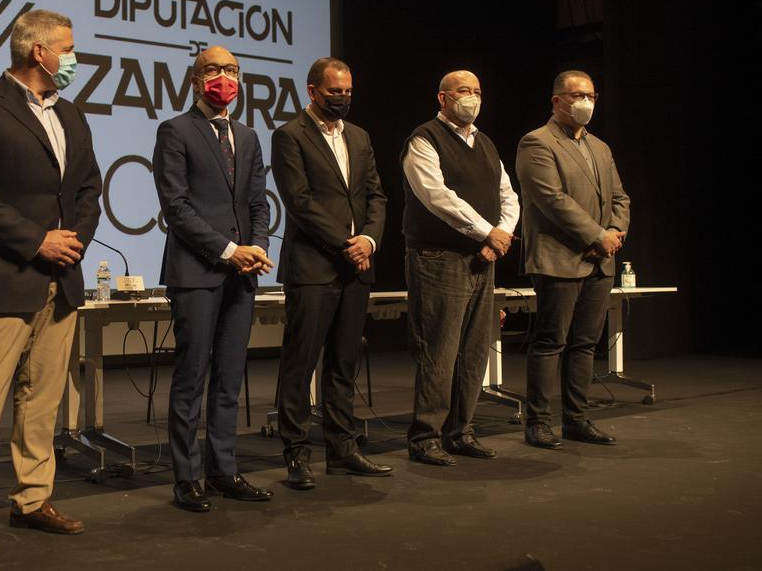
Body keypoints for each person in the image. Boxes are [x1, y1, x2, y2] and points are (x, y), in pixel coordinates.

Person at [0, 9, 102, 551]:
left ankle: (32, 499)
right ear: (39, 52)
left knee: (43, 396)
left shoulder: (72, 115)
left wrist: (72, 239)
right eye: (69, 48)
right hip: (2, 275)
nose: (75, 58)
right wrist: (38, 240)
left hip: (62, 277)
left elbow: (87, 190)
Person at [153, 46, 274, 512]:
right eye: (213, 70)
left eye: (231, 71)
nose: (223, 78)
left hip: (241, 276)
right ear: (195, 79)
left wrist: (257, 248)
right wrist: (229, 250)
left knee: (229, 377)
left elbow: (259, 202)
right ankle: (187, 478)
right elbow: (176, 207)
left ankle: (223, 469)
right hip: (197, 273)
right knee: (191, 376)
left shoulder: (247, 135)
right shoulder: (175, 130)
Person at [270, 57, 391, 490]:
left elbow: (376, 195)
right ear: (312, 90)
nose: (342, 98)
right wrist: (346, 244)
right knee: (300, 365)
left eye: (348, 92)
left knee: (344, 363)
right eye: (334, 91)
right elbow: (299, 202)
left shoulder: (359, 137)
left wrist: (370, 241)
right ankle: (296, 454)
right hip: (314, 267)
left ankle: (342, 449)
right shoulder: (289, 136)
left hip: (357, 267)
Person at [402, 70, 520, 467]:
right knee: (440, 350)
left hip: (482, 259)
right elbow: (437, 197)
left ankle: (460, 431)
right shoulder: (424, 139)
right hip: (438, 259)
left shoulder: (485, 142)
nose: (471, 97)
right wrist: (488, 232)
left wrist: (500, 234)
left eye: (477, 91)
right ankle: (425, 437)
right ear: (442, 98)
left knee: (473, 351)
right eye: (463, 91)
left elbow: (509, 195)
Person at [516, 70, 630, 449]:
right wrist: (597, 235)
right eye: (577, 95)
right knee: (551, 341)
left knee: (585, 343)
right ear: (557, 101)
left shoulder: (600, 146)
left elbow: (619, 197)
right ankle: (538, 422)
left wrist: (614, 232)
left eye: (591, 95)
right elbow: (552, 200)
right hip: (559, 257)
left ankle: (577, 419)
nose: (586, 102)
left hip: (600, 260)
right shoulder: (536, 142)